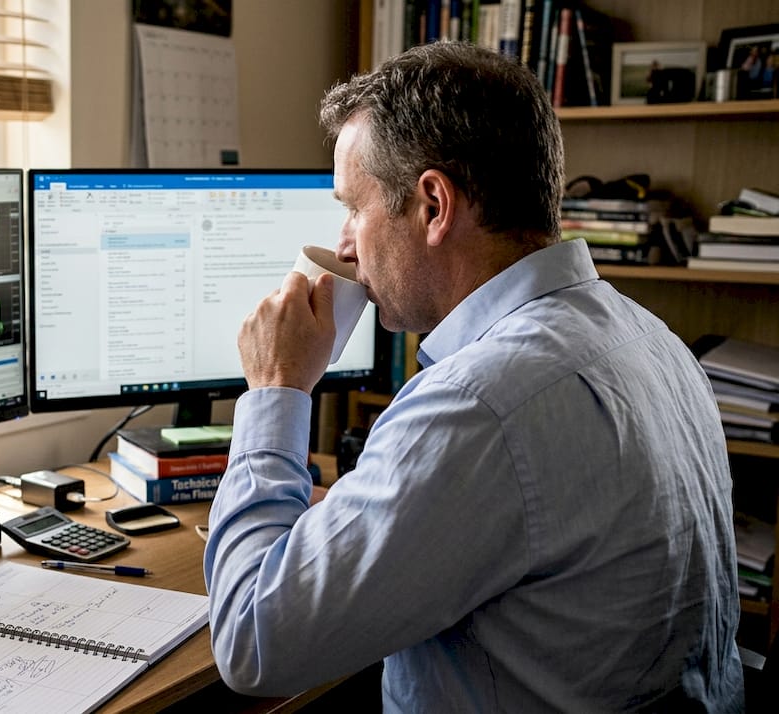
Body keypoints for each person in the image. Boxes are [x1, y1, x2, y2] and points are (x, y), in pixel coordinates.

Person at [203, 41, 743, 712]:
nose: (343, 245)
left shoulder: (480, 406)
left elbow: (254, 645)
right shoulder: (647, 335)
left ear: (433, 205)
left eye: (353, 208)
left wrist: (277, 389)